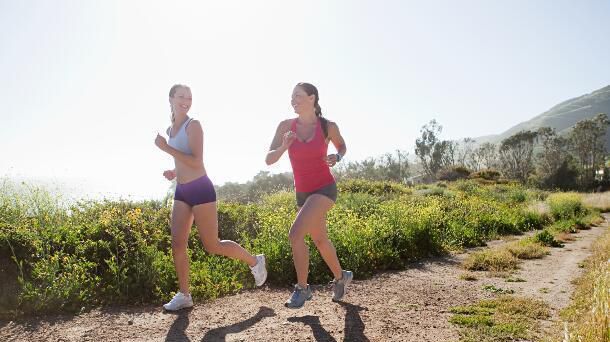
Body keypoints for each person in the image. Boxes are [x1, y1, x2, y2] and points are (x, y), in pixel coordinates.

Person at [155, 84, 267, 311]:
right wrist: (175, 172)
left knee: (212, 245)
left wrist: (166, 149)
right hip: (182, 190)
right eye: (181, 96)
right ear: (170, 99)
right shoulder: (170, 130)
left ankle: (255, 261)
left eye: (189, 97)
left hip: (201, 189)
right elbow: (184, 160)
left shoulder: (193, 125)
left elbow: (197, 161)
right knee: (177, 243)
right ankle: (185, 295)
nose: (186, 100)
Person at [265, 82, 353, 309]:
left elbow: (342, 146)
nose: (293, 100)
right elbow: (269, 159)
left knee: (295, 234)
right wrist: (284, 146)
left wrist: (337, 157)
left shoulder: (327, 126)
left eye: (298, 96)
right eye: (292, 97)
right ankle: (341, 276)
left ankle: (302, 289)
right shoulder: (286, 126)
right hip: (302, 193)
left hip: (324, 188)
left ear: (312, 98)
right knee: (320, 239)